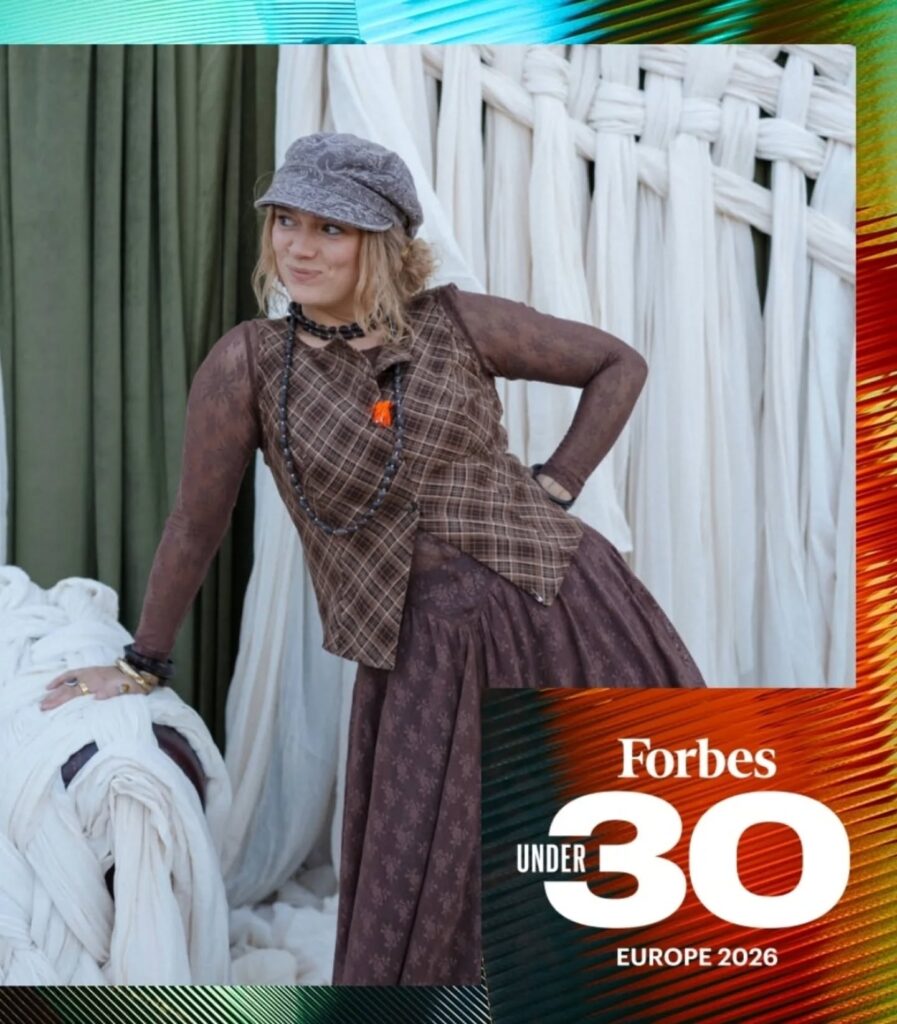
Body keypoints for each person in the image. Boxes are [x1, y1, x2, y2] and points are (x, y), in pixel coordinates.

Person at [41, 132, 704, 985]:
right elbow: (195, 522)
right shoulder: (249, 364)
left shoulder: (456, 322)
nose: (299, 246)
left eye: (331, 228)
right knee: (442, 879)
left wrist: (558, 481)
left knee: (624, 840)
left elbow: (618, 363)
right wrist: (142, 663)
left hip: (562, 604)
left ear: (380, 243)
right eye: (286, 221)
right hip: (426, 648)